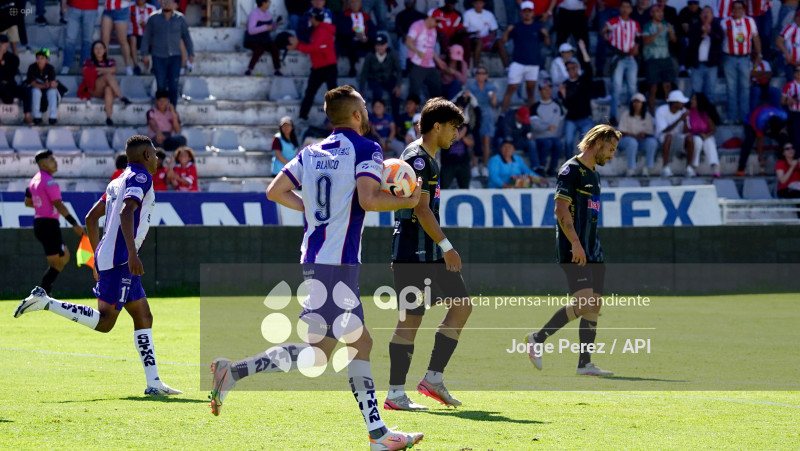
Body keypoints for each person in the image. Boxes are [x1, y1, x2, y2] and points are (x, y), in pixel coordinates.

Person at [208, 85, 424, 450]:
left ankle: (235, 371)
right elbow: (369, 199)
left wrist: (314, 212)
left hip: (316, 258)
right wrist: (411, 199)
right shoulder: (365, 147)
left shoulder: (310, 152)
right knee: (357, 345)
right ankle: (378, 436)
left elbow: (275, 192)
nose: (368, 113)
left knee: (321, 352)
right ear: (356, 115)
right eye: (365, 108)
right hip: (337, 264)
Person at [15, 136, 183, 396]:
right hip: (121, 260)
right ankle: (46, 301)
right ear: (147, 156)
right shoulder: (140, 178)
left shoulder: (117, 181)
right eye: (155, 154)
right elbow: (127, 213)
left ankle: (154, 383)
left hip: (111, 256)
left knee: (143, 316)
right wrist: (130, 254)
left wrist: (97, 257)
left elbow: (91, 218)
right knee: (105, 322)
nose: (158, 159)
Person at [385, 97, 470, 412]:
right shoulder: (417, 158)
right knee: (411, 318)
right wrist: (447, 246)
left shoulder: (431, 158)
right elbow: (420, 209)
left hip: (429, 250)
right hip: (411, 250)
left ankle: (433, 378)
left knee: (461, 306)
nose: (456, 134)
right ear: (437, 126)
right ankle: (395, 393)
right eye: (453, 128)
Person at [525, 124, 621, 377]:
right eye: (610, 149)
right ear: (598, 143)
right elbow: (560, 210)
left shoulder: (595, 175)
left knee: (593, 306)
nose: (612, 155)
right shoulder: (570, 170)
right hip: (574, 248)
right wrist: (576, 244)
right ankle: (537, 338)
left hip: (594, 250)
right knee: (585, 302)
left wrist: (590, 248)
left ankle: (584, 364)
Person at [22, 150, 84, 295]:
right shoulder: (50, 182)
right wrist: (74, 223)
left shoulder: (34, 180)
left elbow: (27, 202)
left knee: (62, 258)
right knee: (59, 261)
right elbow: (59, 204)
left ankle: (44, 291)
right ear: (43, 164)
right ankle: (41, 292)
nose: (55, 162)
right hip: (49, 225)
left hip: (39, 224)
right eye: (52, 159)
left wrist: (42, 205)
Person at [140, 0, 195, 108]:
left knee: (173, 86)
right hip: (158, 56)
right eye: (164, 1)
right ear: (160, 2)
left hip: (175, 57)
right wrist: (144, 54)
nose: (167, 4)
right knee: (160, 85)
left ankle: (172, 112)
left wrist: (191, 53)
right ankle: (160, 113)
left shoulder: (180, 19)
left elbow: (186, 37)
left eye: (169, 1)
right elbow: (146, 37)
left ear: (174, 4)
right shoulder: (153, 18)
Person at [499, 1, 550, 113]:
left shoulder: (538, 27)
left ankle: (530, 115)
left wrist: (546, 34)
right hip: (518, 63)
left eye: (529, 11)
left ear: (532, 13)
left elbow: (547, 43)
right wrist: (507, 31)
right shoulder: (516, 27)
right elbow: (504, 41)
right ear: (521, 13)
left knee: (531, 91)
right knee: (511, 88)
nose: (527, 13)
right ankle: (502, 114)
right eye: (525, 11)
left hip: (533, 64)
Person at [288, 8, 337, 122]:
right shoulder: (318, 29)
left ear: (314, 18)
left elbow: (313, 47)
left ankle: (336, 118)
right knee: (313, 92)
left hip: (326, 66)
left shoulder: (322, 30)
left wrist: (297, 46)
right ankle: (303, 116)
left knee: (331, 95)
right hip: (320, 66)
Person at [720, 0, 761, 123]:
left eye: (740, 8)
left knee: (745, 88)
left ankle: (745, 117)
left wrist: (759, 54)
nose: (737, 11)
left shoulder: (750, 21)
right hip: (729, 58)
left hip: (744, 58)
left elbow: (756, 38)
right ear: (731, 10)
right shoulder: (724, 22)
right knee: (731, 88)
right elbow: (719, 39)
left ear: (744, 10)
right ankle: (731, 117)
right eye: (735, 8)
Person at [603, 0, 640, 123]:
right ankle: (614, 116)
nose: (625, 9)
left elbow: (639, 38)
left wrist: (636, 47)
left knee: (632, 87)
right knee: (617, 88)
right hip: (618, 56)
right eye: (623, 7)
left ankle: (633, 114)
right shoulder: (614, 21)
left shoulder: (634, 24)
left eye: (627, 7)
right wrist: (607, 39)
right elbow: (603, 30)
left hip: (630, 57)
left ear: (631, 9)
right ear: (620, 9)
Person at [81, 41, 131, 126]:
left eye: (100, 48)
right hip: (92, 88)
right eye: (96, 48)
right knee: (108, 76)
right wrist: (105, 70)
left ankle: (108, 117)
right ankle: (121, 97)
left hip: (103, 90)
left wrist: (97, 70)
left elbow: (114, 70)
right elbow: (85, 71)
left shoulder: (110, 61)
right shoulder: (89, 61)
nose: (98, 50)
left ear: (104, 50)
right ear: (93, 51)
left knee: (108, 89)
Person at [560, 40, 595, 157]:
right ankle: (569, 167)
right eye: (568, 69)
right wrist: (564, 95)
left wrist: (583, 49)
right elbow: (566, 107)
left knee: (586, 143)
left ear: (578, 68)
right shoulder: (564, 85)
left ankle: (586, 168)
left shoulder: (584, 80)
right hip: (571, 119)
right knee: (568, 141)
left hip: (585, 118)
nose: (571, 71)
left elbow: (589, 66)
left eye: (573, 68)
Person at [642, 5, 677, 115]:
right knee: (653, 87)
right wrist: (658, 32)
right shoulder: (647, 26)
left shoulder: (667, 25)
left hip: (665, 58)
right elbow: (646, 41)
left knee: (668, 86)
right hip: (652, 59)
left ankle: (669, 112)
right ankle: (651, 113)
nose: (660, 14)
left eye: (661, 12)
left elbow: (674, 40)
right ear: (652, 14)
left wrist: (671, 32)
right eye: (657, 11)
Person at [736, 103, 788, 175]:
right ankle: (740, 168)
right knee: (749, 140)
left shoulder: (784, 116)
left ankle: (782, 165)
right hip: (750, 122)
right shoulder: (760, 122)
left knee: (784, 139)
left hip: (769, 120)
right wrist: (761, 158)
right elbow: (760, 140)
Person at [464, 66, 499, 176]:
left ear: (486, 75)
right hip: (474, 115)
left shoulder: (491, 87)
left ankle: (485, 166)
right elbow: (466, 102)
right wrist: (466, 97)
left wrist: (493, 99)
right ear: (476, 75)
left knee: (486, 141)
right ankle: (474, 166)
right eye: (478, 73)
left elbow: (494, 105)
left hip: (487, 116)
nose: (480, 75)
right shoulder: (470, 86)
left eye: (483, 73)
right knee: (475, 141)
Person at [359, 34, 402, 120]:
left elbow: (399, 71)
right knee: (377, 93)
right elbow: (364, 73)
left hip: (389, 79)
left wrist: (398, 85)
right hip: (374, 79)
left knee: (395, 95)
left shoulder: (393, 54)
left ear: (386, 45)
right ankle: (376, 119)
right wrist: (361, 90)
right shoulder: (370, 55)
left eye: (382, 45)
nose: (380, 47)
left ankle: (395, 120)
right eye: (378, 45)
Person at [530, 79, 566, 176]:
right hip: (540, 136)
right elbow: (534, 125)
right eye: (544, 89)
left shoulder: (557, 105)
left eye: (549, 89)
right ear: (540, 91)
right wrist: (546, 127)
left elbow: (562, 121)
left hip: (555, 136)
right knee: (547, 143)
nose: (547, 91)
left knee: (558, 143)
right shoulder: (535, 107)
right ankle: (541, 167)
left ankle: (552, 168)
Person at [687, 6, 723, 104]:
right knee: (696, 93)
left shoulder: (716, 26)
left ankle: (708, 117)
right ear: (700, 15)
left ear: (712, 16)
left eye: (708, 13)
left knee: (709, 93)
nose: (706, 15)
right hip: (697, 65)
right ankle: (695, 117)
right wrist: (702, 35)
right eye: (704, 13)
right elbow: (692, 43)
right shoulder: (694, 26)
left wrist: (710, 32)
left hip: (711, 65)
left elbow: (719, 40)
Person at [405, 12, 443, 100]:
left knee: (437, 87)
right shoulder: (417, 25)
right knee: (414, 92)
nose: (437, 23)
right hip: (416, 63)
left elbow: (431, 48)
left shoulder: (434, 30)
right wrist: (417, 52)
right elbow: (408, 41)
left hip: (429, 64)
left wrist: (439, 61)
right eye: (437, 21)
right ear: (430, 17)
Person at [619, 93, 658, 176]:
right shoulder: (626, 114)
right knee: (632, 142)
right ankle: (631, 169)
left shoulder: (647, 116)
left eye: (638, 102)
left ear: (643, 104)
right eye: (634, 102)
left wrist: (643, 135)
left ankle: (647, 168)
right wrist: (634, 136)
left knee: (652, 142)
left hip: (641, 141)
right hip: (626, 140)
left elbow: (650, 132)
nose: (636, 104)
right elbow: (621, 132)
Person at [335, 0, 376, 77]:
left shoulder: (365, 16)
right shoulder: (343, 16)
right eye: (353, 2)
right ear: (349, 4)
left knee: (374, 43)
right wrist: (354, 33)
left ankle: (373, 68)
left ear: (360, 4)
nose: (355, 4)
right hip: (349, 40)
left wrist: (367, 38)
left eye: (357, 2)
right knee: (350, 43)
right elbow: (341, 30)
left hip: (363, 40)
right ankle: (352, 68)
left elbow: (373, 29)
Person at [654, 89, 689, 177]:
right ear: (675, 103)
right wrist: (680, 119)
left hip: (677, 138)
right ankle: (665, 167)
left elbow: (686, 131)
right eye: (681, 102)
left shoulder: (684, 111)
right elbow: (664, 130)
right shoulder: (661, 110)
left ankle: (689, 168)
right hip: (662, 139)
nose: (683, 104)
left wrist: (684, 121)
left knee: (690, 138)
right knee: (669, 136)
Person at [685, 93, 721, 177]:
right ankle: (694, 167)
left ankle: (715, 167)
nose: (692, 101)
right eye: (692, 99)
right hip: (692, 136)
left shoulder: (705, 113)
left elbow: (713, 129)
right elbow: (686, 130)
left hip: (705, 135)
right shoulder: (688, 112)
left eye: (694, 99)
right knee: (697, 141)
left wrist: (706, 136)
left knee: (709, 142)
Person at [243, 0, 281, 76]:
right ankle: (249, 69)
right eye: (268, 2)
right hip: (253, 40)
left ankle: (277, 69)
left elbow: (270, 27)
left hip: (264, 39)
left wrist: (276, 25)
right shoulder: (254, 14)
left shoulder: (268, 14)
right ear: (263, 3)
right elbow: (251, 30)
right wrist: (266, 27)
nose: (269, 3)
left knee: (274, 46)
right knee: (259, 49)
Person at [61, 0, 100, 74]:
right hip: (74, 7)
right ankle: (66, 65)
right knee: (70, 39)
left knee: (87, 40)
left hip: (91, 8)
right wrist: (63, 4)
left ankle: (85, 66)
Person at [24, 48, 60, 125]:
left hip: (47, 88)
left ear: (47, 60)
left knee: (52, 92)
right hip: (37, 88)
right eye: (38, 58)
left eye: (42, 58)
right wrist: (44, 85)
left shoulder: (50, 68)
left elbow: (52, 83)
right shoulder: (32, 67)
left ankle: (53, 117)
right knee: (36, 92)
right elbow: (32, 84)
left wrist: (49, 85)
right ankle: (37, 117)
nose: (39, 61)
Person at [500, 106, 540, 173]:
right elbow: (507, 137)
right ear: (517, 116)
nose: (524, 121)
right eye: (523, 119)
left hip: (519, 140)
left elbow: (527, 130)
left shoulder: (525, 119)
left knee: (531, 142)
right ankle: (504, 165)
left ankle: (536, 167)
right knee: (500, 142)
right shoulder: (508, 119)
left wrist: (529, 134)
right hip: (506, 140)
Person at [463, 0, 502, 69]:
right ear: (473, 4)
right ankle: (475, 68)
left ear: (483, 4)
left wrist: (492, 37)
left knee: (499, 42)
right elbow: (465, 30)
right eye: (476, 3)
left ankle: (506, 68)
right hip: (473, 39)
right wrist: (473, 33)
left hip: (486, 39)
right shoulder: (467, 14)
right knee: (479, 42)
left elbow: (494, 29)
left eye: (480, 3)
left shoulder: (489, 14)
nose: (478, 5)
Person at [101, 0, 134, 75]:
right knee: (104, 39)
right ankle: (103, 64)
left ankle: (128, 66)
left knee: (122, 40)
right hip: (107, 9)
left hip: (121, 9)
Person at [394, 0, 425, 72]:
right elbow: (398, 28)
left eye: (411, 1)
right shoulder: (400, 15)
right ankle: (403, 68)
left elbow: (424, 29)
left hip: (418, 38)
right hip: (406, 38)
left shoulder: (421, 15)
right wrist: (402, 34)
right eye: (407, 1)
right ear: (404, 3)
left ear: (414, 2)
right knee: (403, 43)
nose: (409, 3)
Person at [440, 124, 474, 189]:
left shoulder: (465, 126)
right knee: (443, 188)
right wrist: (460, 135)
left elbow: (471, 143)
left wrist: (462, 136)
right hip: (448, 164)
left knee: (465, 188)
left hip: (463, 163)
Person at [128, 0, 157, 76]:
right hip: (134, 34)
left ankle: (154, 65)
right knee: (132, 39)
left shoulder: (152, 8)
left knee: (156, 38)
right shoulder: (129, 7)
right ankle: (136, 65)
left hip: (148, 36)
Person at [0, 34, 24, 118]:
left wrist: (4, 64)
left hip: (9, 86)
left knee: (26, 91)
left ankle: (27, 116)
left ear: (7, 44)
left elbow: (11, 73)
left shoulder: (13, 58)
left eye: (1, 43)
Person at [777, 10, 800, 81]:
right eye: (798, 16)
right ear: (795, 18)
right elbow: (778, 41)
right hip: (791, 63)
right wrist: (787, 55)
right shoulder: (790, 28)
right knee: (792, 83)